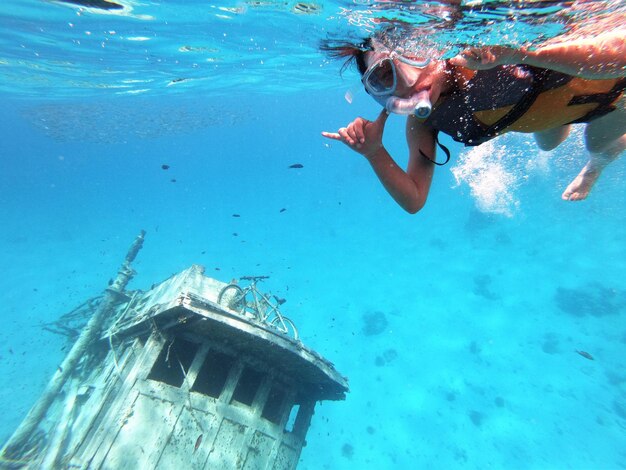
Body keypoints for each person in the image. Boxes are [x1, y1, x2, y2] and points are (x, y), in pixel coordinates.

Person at [320, 25, 626, 213]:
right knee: (549, 144)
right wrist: (374, 153)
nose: (409, 80)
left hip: (609, 93)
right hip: (548, 114)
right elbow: (414, 199)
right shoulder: (423, 122)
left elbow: (618, 53)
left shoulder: (488, 50)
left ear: (432, 46)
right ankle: (565, 127)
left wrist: (521, 54)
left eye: (411, 54)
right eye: (385, 75)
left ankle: (594, 167)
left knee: (597, 144)